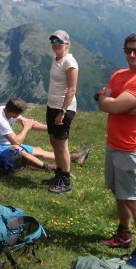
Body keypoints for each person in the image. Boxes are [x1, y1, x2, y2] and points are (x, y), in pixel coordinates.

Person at [96, 33, 136, 254]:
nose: (132, 55)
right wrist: (106, 100)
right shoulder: (119, 74)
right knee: (118, 192)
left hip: (132, 148)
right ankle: (124, 234)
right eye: (128, 50)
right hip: (115, 144)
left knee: (133, 199)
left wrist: (111, 102)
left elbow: (110, 106)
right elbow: (104, 103)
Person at [0, 97, 89, 171]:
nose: (20, 116)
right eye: (20, 114)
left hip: (5, 144)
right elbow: (17, 141)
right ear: (14, 113)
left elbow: (30, 123)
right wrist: (26, 128)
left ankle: (73, 157)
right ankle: (47, 167)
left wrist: (52, 128)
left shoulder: (6, 110)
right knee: (19, 149)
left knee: (39, 150)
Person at [45, 30, 81, 193]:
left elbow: (72, 89)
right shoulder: (56, 58)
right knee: (54, 141)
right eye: (53, 41)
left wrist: (62, 112)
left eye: (59, 42)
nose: (56, 45)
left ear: (67, 43)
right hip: (51, 106)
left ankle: (65, 181)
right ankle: (59, 175)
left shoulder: (69, 62)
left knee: (61, 144)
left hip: (63, 108)